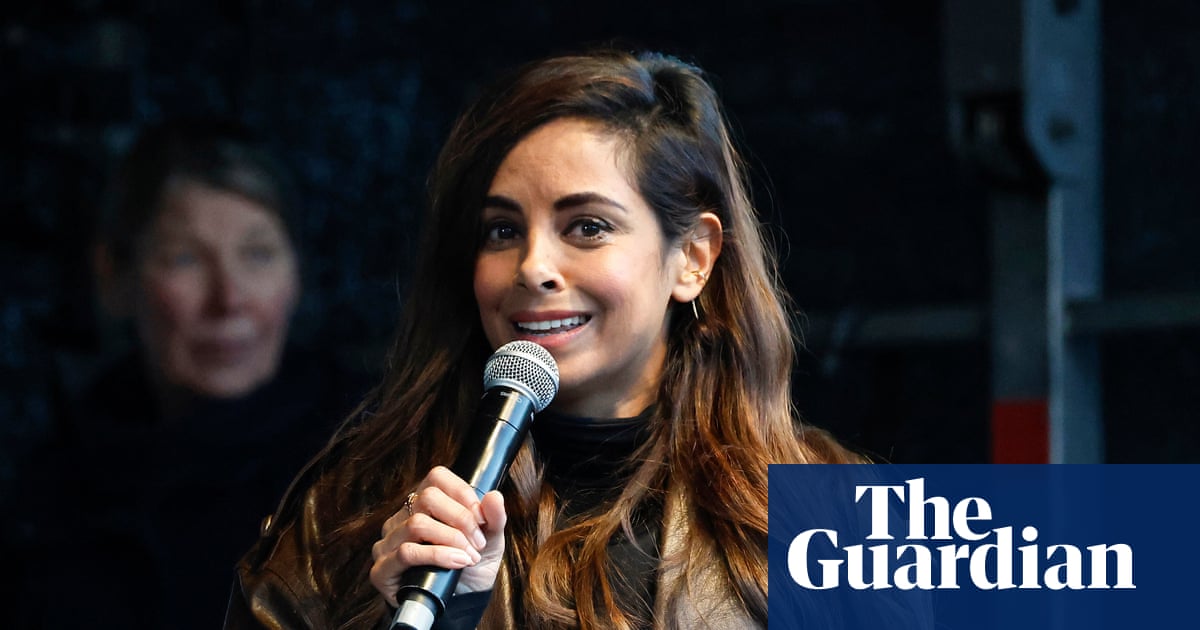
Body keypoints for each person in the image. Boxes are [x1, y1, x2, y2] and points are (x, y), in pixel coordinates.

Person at [224, 49, 860, 630]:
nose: (532, 268)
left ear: (692, 257)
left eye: (586, 227)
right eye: (501, 232)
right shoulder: (347, 513)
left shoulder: (831, 511)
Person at [5, 118, 367, 630]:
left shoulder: (370, 464)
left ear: (296, 275)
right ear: (115, 276)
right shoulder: (47, 500)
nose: (230, 299)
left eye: (258, 254)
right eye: (184, 258)